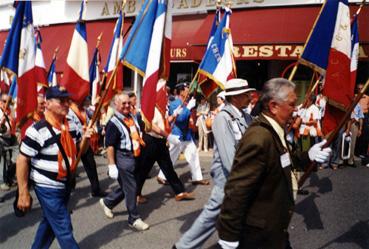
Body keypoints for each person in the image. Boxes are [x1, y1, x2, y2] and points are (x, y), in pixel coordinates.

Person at [217, 78, 332, 249]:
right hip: (258, 235)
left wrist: (308, 155)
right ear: (273, 106)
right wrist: (228, 235)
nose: (296, 111)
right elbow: (237, 188)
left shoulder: (274, 129)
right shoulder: (259, 137)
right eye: (292, 105)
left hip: (273, 228)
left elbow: (282, 160)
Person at [175, 78, 255, 249]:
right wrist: (247, 179)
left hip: (241, 179)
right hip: (228, 180)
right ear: (235, 97)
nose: (250, 96)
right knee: (209, 218)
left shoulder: (247, 117)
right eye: (246, 94)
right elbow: (229, 159)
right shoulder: (222, 119)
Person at [16, 86, 92, 249]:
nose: (66, 104)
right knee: (64, 227)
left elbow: (80, 150)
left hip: (66, 183)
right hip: (47, 186)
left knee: (50, 224)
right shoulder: (36, 130)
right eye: (61, 101)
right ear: (48, 103)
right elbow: (22, 160)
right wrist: (23, 192)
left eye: (67, 100)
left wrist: (85, 140)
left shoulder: (71, 125)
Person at [99, 92, 149, 231]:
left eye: (129, 102)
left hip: (136, 156)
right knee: (131, 188)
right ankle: (133, 218)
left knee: (127, 186)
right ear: (116, 104)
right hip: (124, 158)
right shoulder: (113, 123)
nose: (127, 105)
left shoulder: (132, 116)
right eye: (124, 103)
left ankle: (108, 202)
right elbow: (110, 146)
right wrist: (112, 165)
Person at [135, 106, 195, 203]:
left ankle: (180, 192)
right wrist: (168, 136)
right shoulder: (150, 107)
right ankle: (136, 194)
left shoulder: (160, 108)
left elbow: (164, 122)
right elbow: (151, 125)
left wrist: (175, 114)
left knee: (168, 168)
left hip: (161, 141)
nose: (166, 93)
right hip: (151, 141)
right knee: (143, 170)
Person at [157, 82, 209, 185]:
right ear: (181, 91)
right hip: (177, 134)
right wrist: (188, 108)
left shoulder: (187, 102)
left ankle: (197, 177)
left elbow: (189, 117)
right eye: (186, 89)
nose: (188, 91)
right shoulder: (174, 104)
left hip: (187, 134)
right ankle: (161, 176)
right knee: (171, 156)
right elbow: (179, 119)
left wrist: (191, 114)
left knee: (193, 154)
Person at [67, 98, 106, 197]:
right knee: (71, 166)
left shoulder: (85, 110)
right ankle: (69, 188)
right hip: (73, 142)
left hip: (85, 142)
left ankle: (96, 189)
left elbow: (93, 118)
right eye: (84, 98)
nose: (87, 100)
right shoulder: (69, 111)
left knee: (91, 165)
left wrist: (98, 106)